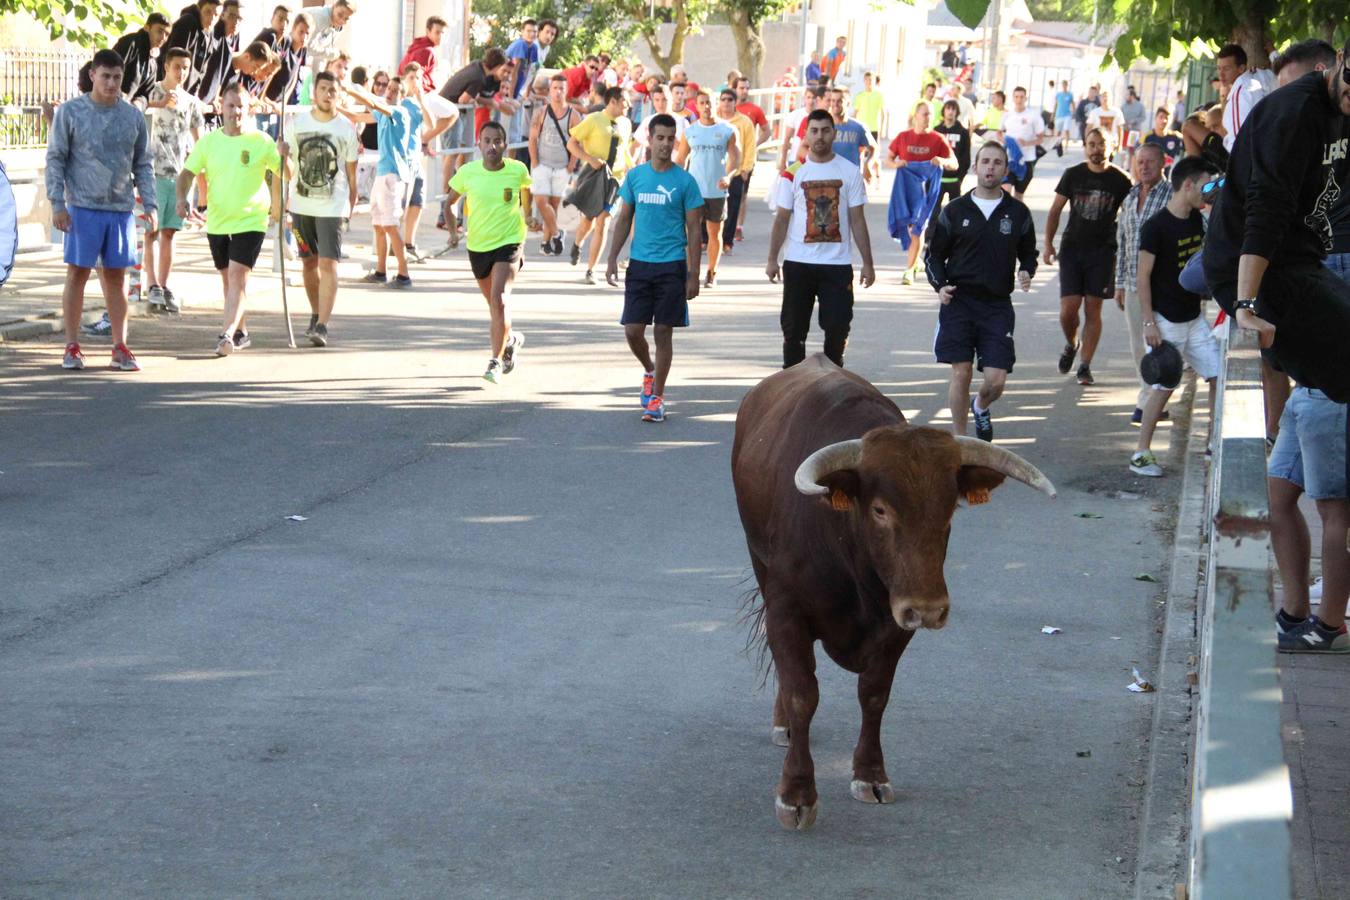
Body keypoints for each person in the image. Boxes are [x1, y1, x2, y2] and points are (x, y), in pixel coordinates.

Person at [1203, 44, 1350, 405]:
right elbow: (1266, 212)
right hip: (1249, 267)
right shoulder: (1294, 113)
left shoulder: (1341, 109)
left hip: (1298, 262)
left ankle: (1285, 463)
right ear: (1341, 60)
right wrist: (1245, 306)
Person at [47, 48, 156, 372]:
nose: (111, 83)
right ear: (92, 75)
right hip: (82, 207)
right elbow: (56, 158)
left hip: (120, 208)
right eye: (105, 76)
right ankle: (71, 345)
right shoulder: (71, 112)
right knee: (78, 273)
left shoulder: (132, 116)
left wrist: (149, 204)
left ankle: (120, 346)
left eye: (117, 77)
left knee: (116, 277)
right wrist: (57, 203)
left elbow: (143, 163)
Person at [924, 140, 1037, 442]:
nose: (990, 167)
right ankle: (960, 441)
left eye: (997, 163)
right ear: (975, 167)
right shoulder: (955, 210)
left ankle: (981, 405)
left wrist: (1027, 271)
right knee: (961, 372)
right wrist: (940, 285)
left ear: (1005, 170)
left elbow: (1029, 253)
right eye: (985, 162)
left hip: (997, 305)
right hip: (959, 301)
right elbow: (934, 255)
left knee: (996, 381)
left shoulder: (1018, 213)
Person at [604, 113, 704, 423]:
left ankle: (657, 398)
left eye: (670, 139)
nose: (664, 144)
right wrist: (611, 258)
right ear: (649, 139)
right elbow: (623, 219)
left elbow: (695, 229)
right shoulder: (636, 177)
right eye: (659, 138)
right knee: (633, 331)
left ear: (676, 141)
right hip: (640, 265)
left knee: (663, 331)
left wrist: (694, 274)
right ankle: (649, 369)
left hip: (672, 265)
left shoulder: (685, 182)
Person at [1129, 156, 1222, 476]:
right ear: (1187, 185)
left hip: (1193, 318)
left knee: (1217, 375)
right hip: (1165, 320)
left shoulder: (1198, 219)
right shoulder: (1155, 227)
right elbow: (1142, 277)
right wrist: (1148, 322)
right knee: (1164, 385)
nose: (1208, 193)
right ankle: (1141, 453)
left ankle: (1214, 444)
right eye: (1205, 186)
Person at [175, 83, 280, 356]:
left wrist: (287, 155)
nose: (235, 112)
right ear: (221, 107)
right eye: (230, 105)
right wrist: (181, 198)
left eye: (241, 106)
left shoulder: (262, 141)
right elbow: (187, 173)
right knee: (228, 280)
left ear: (249, 109)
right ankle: (241, 331)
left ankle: (226, 335)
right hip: (219, 221)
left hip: (251, 219)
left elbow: (287, 173)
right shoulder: (208, 143)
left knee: (237, 276)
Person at [765, 108, 875, 367]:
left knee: (837, 328)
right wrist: (772, 258)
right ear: (805, 135)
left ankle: (833, 380)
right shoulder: (792, 173)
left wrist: (867, 263)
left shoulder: (849, 172)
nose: (820, 136)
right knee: (793, 331)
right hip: (798, 263)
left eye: (826, 130)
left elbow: (858, 219)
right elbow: (782, 218)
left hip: (836, 265)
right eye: (814, 131)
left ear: (834, 133)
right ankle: (792, 385)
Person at [444, 121, 531, 385]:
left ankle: (494, 361)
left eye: (497, 141)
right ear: (479, 144)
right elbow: (448, 204)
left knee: (499, 299)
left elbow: (527, 198)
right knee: (494, 308)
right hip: (478, 246)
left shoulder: (517, 170)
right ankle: (511, 339)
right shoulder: (468, 172)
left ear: (505, 144)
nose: (492, 146)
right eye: (487, 141)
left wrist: (531, 219)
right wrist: (453, 232)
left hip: (509, 242)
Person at [1043, 127, 1132, 386]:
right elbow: (1055, 210)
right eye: (1091, 144)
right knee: (1068, 310)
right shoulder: (1073, 175)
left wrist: (1126, 255)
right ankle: (1072, 344)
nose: (1096, 149)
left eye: (1101, 144)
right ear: (1085, 147)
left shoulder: (1121, 180)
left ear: (1111, 146)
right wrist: (1048, 244)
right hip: (1072, 249)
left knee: (1093, 309)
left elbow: (1131, 217)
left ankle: (1085, 365)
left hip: (1103, 251)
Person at [280, 70, 358, 348]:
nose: (327, 94)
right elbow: (289, 172)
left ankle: (323, 324)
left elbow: (351, 173)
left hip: (333, 206)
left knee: (328, 263)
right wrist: (284, 155)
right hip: (302, 204)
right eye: (323, 89)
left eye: (332, 90)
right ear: (314, 93)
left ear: (338, 95)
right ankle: (315, 313)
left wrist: (350, 206)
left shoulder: (346, 128)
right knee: (309, 263)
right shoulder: (296, 125)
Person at [344, 73, 427, 287]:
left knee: (390, 226)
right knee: (379, 225)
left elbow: (373, 103)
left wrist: (348, 89)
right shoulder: (384, 112)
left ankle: (404, 274)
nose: (388, 92)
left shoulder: (399, 112)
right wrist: (337, 108)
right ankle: (381, 270)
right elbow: (360, 117)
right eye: (387, 88)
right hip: (383, 173)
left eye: (393, 90)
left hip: (392, 174)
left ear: (402, 95)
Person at [1113, 142, 1173, 423]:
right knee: (1139, 345)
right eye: (1140, 162)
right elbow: (1122, 242)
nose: (1144, 167)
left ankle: (1152, 400)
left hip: (1163, 285)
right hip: (1134, 285)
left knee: (1163, 342)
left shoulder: (1171, 195)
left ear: (1162, 163)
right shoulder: (1130, 198)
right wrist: (1120, 283)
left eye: (1150, 161)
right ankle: (1148, 393)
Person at [144, 47, 204, 316]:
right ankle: (152, 283)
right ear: (166, 66)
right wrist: (156, 103)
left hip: (179, 174)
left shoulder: (191, 101)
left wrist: (202, 176)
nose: (181, 72)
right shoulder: (153, 92)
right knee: (151, 231)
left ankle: (164, 284)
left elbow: (199, 139)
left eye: (186, 67)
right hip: (152, 170)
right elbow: (138, 111)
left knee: (170, 231)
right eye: (177, 66)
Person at [566, 86, 633, 285]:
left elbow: (625, 149)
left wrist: (634, 169)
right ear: (612, 101)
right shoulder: (594, 120)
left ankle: (591, 269)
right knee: (588, 220)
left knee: (603, 221)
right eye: (625, 101)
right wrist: (589, 158)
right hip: (595, 176)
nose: (628, 105)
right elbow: (572, 143)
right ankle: (577, 244)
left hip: (616, 179)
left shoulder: (626, 123)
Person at [886, 101, 955, 283]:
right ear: (916, 115)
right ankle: (915, 261)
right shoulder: (903, 137)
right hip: (905, 191)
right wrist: (896, 164)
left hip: (925, 192)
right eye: (925, 114)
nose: (928, 118)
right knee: (909, 226)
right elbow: (888, 159)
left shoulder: (938, 139)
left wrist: (941, 160)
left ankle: (909, 270)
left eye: (931, 114)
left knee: (917, 228)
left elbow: (954, 163)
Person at [676, 91, 739, 287]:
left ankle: (712, 271)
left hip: (716, 190)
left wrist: (728, 176)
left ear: (716, 104)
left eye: (710, 103)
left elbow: (736, 157)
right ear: (697, 105)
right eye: (702, 103)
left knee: (715, 232)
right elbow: (680, 159)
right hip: (694, 191)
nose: (706, 107)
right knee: (692, 232)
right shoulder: (690, 131)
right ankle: (690, 270)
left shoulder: (727, 129)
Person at [529, 73, 581, 256]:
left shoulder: (573, 115)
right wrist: (534, 162)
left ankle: (545, 242)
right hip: (542, 164)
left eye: (562, 89)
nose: (558, 92)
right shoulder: (541, 113)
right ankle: (557, 234)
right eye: (555, 88)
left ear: (566, 91)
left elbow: (578, 143)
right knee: (542, 201)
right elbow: (533, 138)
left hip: (562, 166)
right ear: (550, 91)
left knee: (554, 204)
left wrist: (571, 166)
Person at [718, 89, 758, 256]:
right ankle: (708, 240)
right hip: (717, 171)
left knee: (733, 208)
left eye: (729, 99)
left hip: (736, 172)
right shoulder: (715, 120)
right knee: (712, 207)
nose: (726, 103)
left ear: (735, 102)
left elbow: (750, 146)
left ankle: (727, 242)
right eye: (723, 99)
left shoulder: (744, 122)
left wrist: (745, 169)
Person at [929, 98, 970, 238]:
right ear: (943, 111)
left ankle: (954, 237)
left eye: (953, 109)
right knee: (934, 210)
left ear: (957, 112)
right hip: (938, 179)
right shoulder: (936, 131)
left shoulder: (963, 132)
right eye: (948, 108)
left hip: (954, 180)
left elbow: (965, 158)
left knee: (955, 211)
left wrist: (960, 177)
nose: (950, 112)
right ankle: (931, 237)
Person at [112, 12, 171, 109]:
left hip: (124, 112)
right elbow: (109, 71)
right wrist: (119, 95)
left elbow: (146, 95)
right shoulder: (131, 43)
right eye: (160, 31)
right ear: (147, 28)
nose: (163, 38)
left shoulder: (153, 64)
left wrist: (137, 104)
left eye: (167, 34)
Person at [164, 0, 220, 96]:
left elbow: (201, 73)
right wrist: (173, 92)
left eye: (216, 15)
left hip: (184, 93)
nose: (212, 18)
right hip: (166, 89)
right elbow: (174, 60)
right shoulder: (188, 22)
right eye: (208, 12)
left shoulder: (210, 37)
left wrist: (192, 96)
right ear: (199, 9)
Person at [1000, 86, 1045, 200]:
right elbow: (998, 132)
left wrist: (1026, 143)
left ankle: (1017, 216)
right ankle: (1004, 215)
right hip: (1009, 160)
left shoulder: (1034, 115)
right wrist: (1004, 141)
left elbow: (1040, 138)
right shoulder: (1007, 115)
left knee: (1019, 195)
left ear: (1026, 98)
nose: (1019, 99)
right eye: (1016, 97)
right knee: (1006, 190)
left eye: (1021, 97)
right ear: (1013, 98)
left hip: (1026, 160)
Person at [304, 0, 355, 76]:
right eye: (340, 15)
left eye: (346, 19)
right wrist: (332, 54)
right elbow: (308, 48)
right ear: (334, 6)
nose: (342, 21)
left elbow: (319, 55)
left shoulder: (337, 25)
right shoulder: (321, 18)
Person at [400, 15, 446, 95]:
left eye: (442, 33)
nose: (440, 36)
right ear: (428, 31)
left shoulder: (420, 46)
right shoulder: (427, 51)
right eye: (437, 32)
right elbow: (416, 78)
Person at [852, 71, 885, 141]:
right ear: (864, 81)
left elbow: (883, 114)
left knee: (873, 151)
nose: (869, 82)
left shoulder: (879, 95)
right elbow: (855, 114)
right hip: (862, 129)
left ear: (874, 81)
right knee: (861, 151)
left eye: (871, 80)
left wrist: (882, 130)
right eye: (866, 79)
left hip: (874, 129)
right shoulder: (859, 96)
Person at [1052, 80, 1074, 153]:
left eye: (1065, 85)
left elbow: (1073, 104)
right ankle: (1057, 144)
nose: (1064, 86)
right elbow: (1056, 104)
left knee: (1066, 129)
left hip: (1067, 115)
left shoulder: (1070, 94)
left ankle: (1066, 147)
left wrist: (1074, 112)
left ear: (1067, 85)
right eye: (1063, 85)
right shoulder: (1058, 94)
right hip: (1059, 115)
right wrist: (1053, 114)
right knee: (1058, 132)